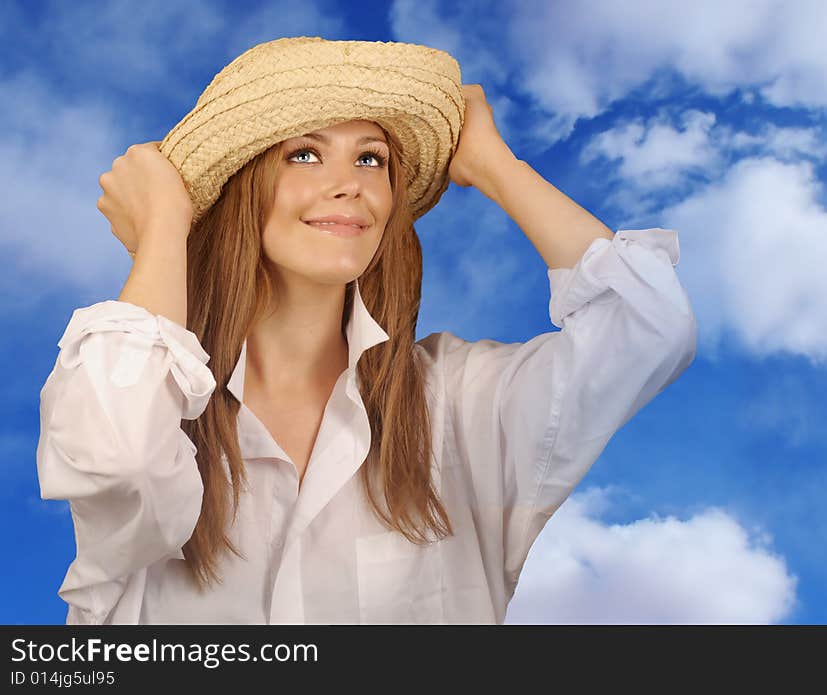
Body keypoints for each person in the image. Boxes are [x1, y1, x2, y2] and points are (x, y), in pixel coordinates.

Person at [35, 36, 697, 625]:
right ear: (241, 188)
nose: (348, 185)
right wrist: (163, 233)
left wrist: (495, 165)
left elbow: (649, 326)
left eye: (372, 160)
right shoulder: (161, 409)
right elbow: (117, 459)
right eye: (303, 154)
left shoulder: (462, 406)